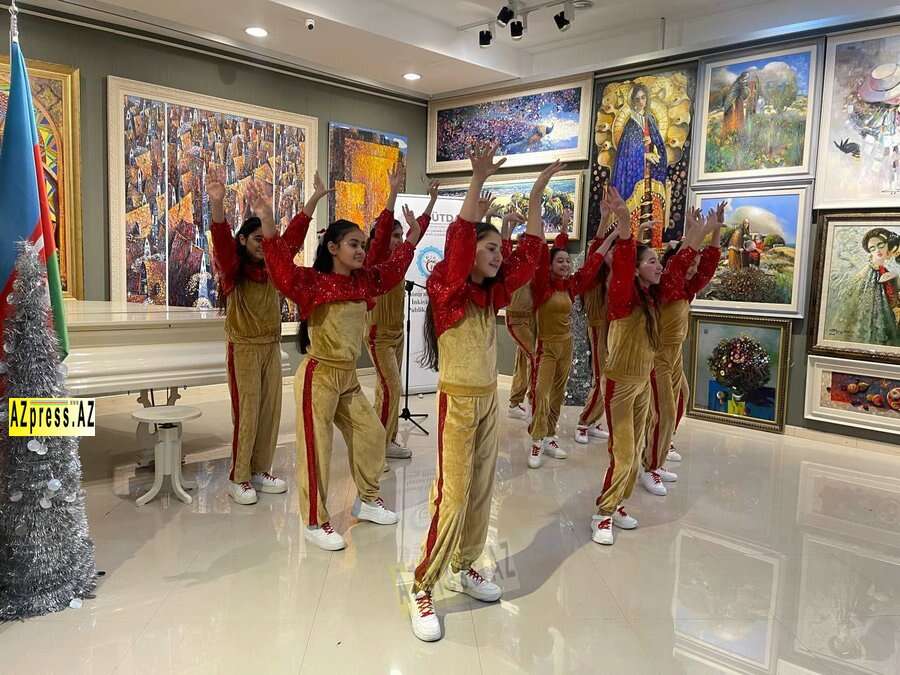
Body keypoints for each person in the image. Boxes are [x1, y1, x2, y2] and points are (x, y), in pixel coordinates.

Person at [408, 142, 549, 642]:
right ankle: (422, 583)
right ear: (469, 253)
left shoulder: (492, 295)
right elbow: (459, 241)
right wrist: (476, 181)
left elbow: (529, 257)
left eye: (498, 250)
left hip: (489, 400)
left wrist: (536, 195)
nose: (499, 255)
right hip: (458, 402)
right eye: (490, 249)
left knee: (483, 490)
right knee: (453, 495)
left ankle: (465, 564)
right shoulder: (447, 290)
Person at [261, 167, 423, 552]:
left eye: (362, 245)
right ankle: (313, 521)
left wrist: (404, 224)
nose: (361, 250)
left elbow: (390, 260)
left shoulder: (365, 280)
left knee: (371, 434)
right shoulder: (313, 283)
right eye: (353, 244)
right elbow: (280, 267)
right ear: (333, 248)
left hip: (347, 377)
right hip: (318, 376)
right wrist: (268, 224)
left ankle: (367, 499)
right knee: (317, 449)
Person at [209, 171, 319, 505]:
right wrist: (217, 204)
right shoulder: (233, 270)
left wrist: (314, 199)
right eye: (256, 239)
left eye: (265, 238)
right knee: (248, 413)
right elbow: (222, 243)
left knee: (270, 412)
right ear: (243, 241)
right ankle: (239, 476)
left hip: (271, 348)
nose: (262, 243)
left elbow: (292, 239)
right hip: (244, 348)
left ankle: (260, 469)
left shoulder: (273, 266)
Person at [591, 189, 662, 546]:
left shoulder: (652, 297)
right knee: (623, 451)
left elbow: (689, 276)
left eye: (658, 262)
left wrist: (706, 237)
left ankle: (619, 502)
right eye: (651, 262)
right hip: (619, 383)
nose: (659, 267)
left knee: (635, 450)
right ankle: (602, 513)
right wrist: (622, 219)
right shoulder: (622, 296)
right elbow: (621, 263)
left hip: (641, 383)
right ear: (634, 270)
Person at [640, 205, 723, 496]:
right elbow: (680, 262)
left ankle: (659, 452)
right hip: (657, 357)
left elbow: (707, 267)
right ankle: (650, 466)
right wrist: (697, 232)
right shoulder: (667, 285)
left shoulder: (686, 288)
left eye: (694, 265)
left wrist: (715, 232)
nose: (693, 268)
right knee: (664, 411)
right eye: (689, 263)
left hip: (674, 356)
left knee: (680, 398)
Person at [527, 205, 611, 468]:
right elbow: (542, 253)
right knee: (541, 393)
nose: (565, 264)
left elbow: (594, 262)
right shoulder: (542, 286)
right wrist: (552, 229)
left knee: (556, 394)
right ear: (550, 265)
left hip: (567, 345)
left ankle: (550, 435)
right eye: (559, 261)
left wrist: (611, 235)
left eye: (567, 261)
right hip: (546, 348)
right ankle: (537, 440)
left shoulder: (572, 285)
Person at [366, 169, 440, 462]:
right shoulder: (374, 260)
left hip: (396, 335)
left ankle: (385, 437)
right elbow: (383, 231)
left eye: (400, 236)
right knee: (392, 388)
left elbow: (417, 231)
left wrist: (432, 201)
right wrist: (393, 192)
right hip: (378, 336)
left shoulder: (399, 258)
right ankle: (381, 444)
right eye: (394, 236)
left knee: (385, 391)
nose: (398, 240)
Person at [575, 200, 616, 444]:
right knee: (602, 375)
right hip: (599, 327)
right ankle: (584, 421)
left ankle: (592, 420)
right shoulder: (593, 278)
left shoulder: (613, 275)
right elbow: (596, 250)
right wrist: (604, 220)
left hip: (615, 329)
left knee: (608, 376)